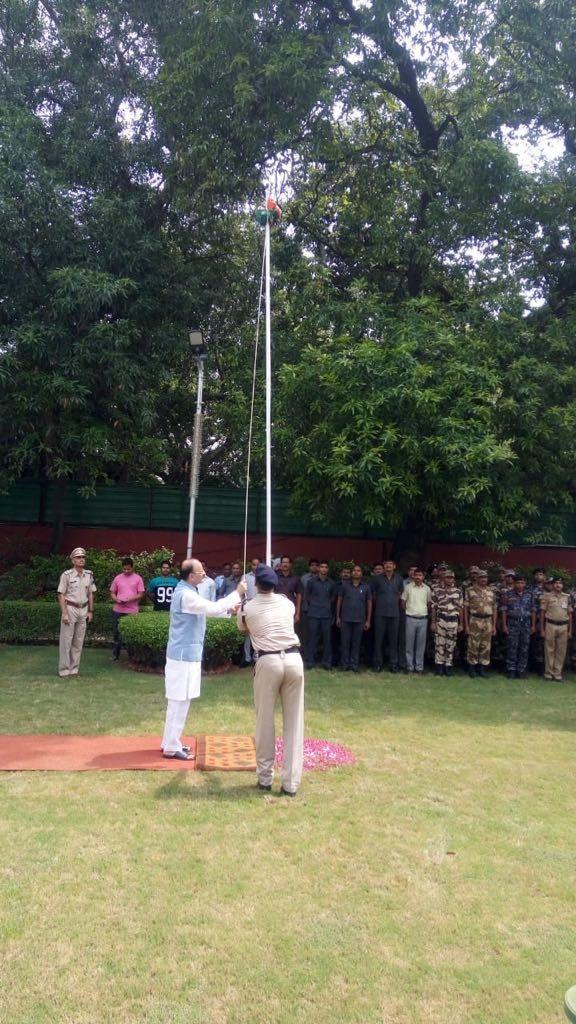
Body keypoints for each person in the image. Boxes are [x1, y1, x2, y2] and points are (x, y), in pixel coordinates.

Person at [162, 559, 246, 759]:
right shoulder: (186, 595)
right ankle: (172, 747)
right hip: (183, 656)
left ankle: (170, 742)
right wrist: (238, 593)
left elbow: (207, 610)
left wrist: (227, 609)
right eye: (201, 572)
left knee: (179, 700)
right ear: (191, 576)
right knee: (180, 700)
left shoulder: (189, 592)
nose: (205, 574)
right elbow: (210, 608)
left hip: (185, 655)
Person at [237, 564, 304, 795]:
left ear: (256, 584)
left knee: (265, 721)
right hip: (294, 659)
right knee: (294, 723)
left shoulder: (248, 607)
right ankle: (290, 784)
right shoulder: (286, 602)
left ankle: (265, 779)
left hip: (268, 662)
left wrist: (241, 602)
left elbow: (242, 629)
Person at [57, 547, 96, 678]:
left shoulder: (89, 575)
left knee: (78, 641)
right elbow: (61, 594)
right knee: (66, 640)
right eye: (78, 557)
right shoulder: (66, 575)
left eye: (83, 557)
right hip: (70, 608)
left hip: (83, 609)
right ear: (73, 560)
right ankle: (64, 670)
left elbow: (90, 593)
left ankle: (74, 670)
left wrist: (90, 611)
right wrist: (64, 613)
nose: (81, 559)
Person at [336, 564, 372, 671]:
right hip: (345, 619)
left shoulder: (366, 587)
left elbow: (369, 603)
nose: (356, 572)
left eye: (358, 570)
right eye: (354, 570)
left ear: (361, 573)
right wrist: (338, 616)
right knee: (345, 643)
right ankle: (344, 665)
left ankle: (354, 665)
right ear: (352, 573)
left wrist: (368, 620)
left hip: (360, 620)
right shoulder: (345, 586)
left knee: (356, 643)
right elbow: (339, 601)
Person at [370, 559, 403, 672]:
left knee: (393, 641)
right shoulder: (377, 578)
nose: (388, 566)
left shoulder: (399, 579)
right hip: (380, 613)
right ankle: (378, 664)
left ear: (394, 566)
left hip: (394, 614)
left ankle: (393, 664)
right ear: (384, 567)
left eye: (390, 564)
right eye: (386, 564)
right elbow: (373, 595)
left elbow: (400, 594)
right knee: (378, 640)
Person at [109, 557, 145, 660]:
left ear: (132, 567)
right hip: (118, 610)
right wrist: (116, 599)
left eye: (128, 569)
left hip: (132, 611)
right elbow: (112, 592)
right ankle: (115, 655)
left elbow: (141, 594)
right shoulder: (117, 578)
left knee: (131, 634)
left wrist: (130, 599)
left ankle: (132, 656)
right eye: (124, 569)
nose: (126, 571)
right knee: (116, 633)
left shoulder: (138, 578)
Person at [501, 573, 535, 679]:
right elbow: (503, 610)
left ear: (525, 584)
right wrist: (504, 625)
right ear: (514, 583)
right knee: (512, 647)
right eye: (518, 582)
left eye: (522, 582)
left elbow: (533, 610)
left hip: (525, 623)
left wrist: (533, 625)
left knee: (524, 647)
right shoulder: (508, 594)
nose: (520, 585)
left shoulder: (529, 595)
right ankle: (511, 669)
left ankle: (521, 670)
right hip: (512, 623)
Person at [464, 569, 497, 677]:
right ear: (477, 578)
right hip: (475, 619)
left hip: (488, 620)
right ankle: (472, 668)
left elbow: (495, 608)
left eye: (485, 577)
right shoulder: (470, 590)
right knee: (473, 645)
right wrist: (466, 625)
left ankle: (482, 669)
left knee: (486, 646)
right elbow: (465, 608)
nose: (483, 579)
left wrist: (494, 626)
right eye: (481, 577)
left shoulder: (491, 591)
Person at [430, 568, 463, 676]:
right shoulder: (437, 590)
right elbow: (434, 608)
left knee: (451, 644)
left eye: (451, 577)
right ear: (443, 578)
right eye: (447, 577)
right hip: (441, 619)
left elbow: (460, 609)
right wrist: (433, 622)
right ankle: (439, 667)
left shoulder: (458, 592)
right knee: (439, 644)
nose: (450, 579)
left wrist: (461, 624)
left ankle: (448, 667)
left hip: (453, 620)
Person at [540, 575, 572, 682]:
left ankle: (557, 673)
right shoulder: (547, 596)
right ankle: (548, 673)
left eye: (560, 583)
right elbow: (542, 613)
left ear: (563, 585)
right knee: (549, 649)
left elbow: (570, 614)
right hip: (550, 625)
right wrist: (542, 629)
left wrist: (570, 630)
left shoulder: (567, 597)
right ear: (553, 585)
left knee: (561, 651)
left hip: (564, 626)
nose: (558, 585)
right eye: (556, 583)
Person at [304, 560, 335, 669]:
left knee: (327, 639)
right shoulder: (311, 582)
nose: (323, 569)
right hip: (313, 614)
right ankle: (310, 661)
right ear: (318, 569)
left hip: (326, 615)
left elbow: (333, 598)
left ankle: (327, 662)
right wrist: (314, 604)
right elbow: (307, 596)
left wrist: (325, 605)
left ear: (328, 569)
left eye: (326, 567)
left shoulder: (331, 583)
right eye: (322, 567)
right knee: (312, 639)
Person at [401, 568, 431, 674]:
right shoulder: (408, 588)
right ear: (413, 576)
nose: (418, 577)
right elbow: (403, 602)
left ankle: (419, 668)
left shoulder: (427, 589)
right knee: (409, 644)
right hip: (410, 618)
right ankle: (409, 667)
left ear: (423, 577)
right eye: (416, 575)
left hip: (423, 619)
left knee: (420, 645)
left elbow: (429, 604)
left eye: (420, 575)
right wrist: (410, 611)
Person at [275, 555, 302, 621]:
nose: (285, 564)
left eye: (287, 562)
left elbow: (299, 596)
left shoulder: (296, 578)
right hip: (277, 609)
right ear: (281, 564)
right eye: (283, 562)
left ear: (290, 564)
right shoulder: (275, 577)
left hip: (290, 610)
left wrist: (297, 613)